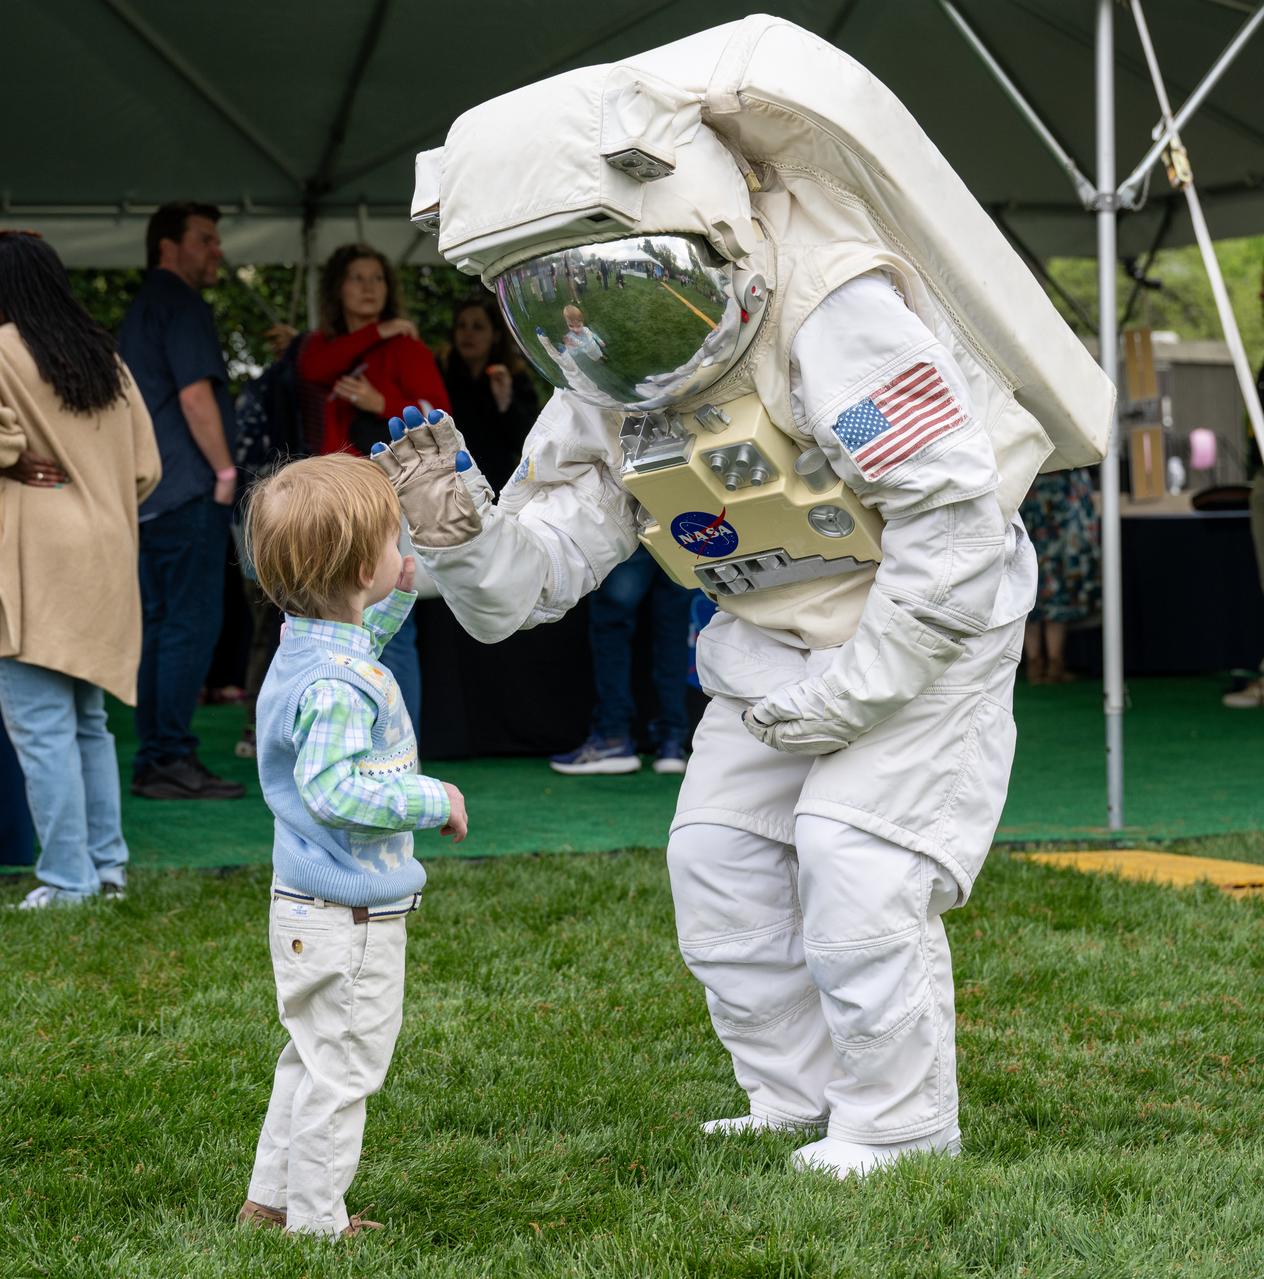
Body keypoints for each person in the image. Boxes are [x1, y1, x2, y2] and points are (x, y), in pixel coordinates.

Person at [385, 16, 1111, 1182]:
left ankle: (898, 1123)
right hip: (769, 637)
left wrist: (864, 685)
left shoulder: (831, 302)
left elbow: (952, 516)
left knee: (855, 859)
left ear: (695, 227)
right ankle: (796, 1096)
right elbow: (536, 577)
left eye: (608, 277)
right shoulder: (613, 367)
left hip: (922, 621)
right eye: (554, 292)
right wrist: (460, 535)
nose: (588, 317)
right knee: (717, 862)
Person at [237, 453, 467, 1238]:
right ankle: (317, 1221)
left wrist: (399, 590)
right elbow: (338, 792)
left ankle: (270, 1198)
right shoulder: (338, 686)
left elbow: (360, 636)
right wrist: (434, 797)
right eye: (394, 540)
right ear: (362, 563)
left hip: (308, 906)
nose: (403, 548)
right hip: (347, 915)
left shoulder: (308, 646)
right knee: (346, 1068)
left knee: (308, 1055)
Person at [0, 230, 162, 906]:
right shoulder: (105, 358)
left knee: (40, 726)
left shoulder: (1, 348)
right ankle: (106, 869)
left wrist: (17, 462)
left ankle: (67, 879)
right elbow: (147, 468)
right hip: (106, 551)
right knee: (86, 720)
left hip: (34, 552)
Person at [118, 201, 244, 800]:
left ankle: (156, 758)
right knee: (188, 626)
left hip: (149, 496)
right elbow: (196, 396)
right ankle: (168, 757)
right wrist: (223, 470)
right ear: (169, 246)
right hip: (188, 489)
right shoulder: (180, 303)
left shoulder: (143, 306)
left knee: (163, 626)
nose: (217, 250)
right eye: (205, 239)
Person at [297, 244, 450, 734]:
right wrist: (377, 331)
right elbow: (312, 370)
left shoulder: (407, 349)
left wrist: (380, 401)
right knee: (327, 619)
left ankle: (400, 753)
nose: (368, 288)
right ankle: (341, 740)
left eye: (377, 279)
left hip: (385, 501)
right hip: (333, 499)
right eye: (357, 278)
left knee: (390, 627)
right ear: (337, 288)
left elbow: (440, 420)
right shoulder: (328, 345)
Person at [549, 545, 693, 775]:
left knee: (611, 624)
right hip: (679, 524)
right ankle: (672, 744)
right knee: (673, 629)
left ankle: (613, 739)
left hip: (637, 517)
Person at [439, 295, 538, 491]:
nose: (468, 334)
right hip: (448, 483)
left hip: (496, 484)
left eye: (478, 327)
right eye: (461, 326)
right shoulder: (441, 371)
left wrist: (506, 403)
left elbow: (529, 443)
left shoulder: (513, 377)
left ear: (496, 335)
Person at [1019, 468, 1100, 684]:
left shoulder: (1026, 467)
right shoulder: (1072, 473)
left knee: (1028, 593)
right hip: (1062, 541)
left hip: (1031, 527)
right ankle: (1055, 663)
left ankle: (1034, 664)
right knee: (1057, 597)